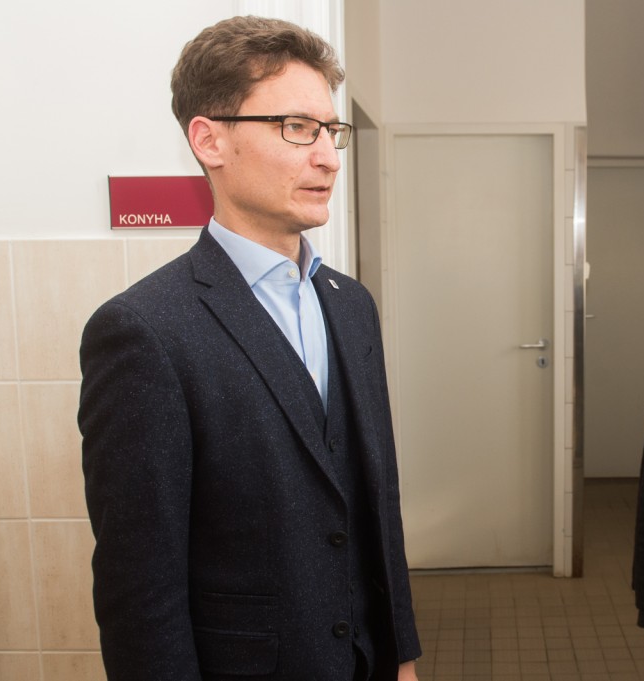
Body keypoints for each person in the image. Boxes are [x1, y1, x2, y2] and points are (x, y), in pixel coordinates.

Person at [79, 16, 420, 681]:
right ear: (209, 139)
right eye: (295, 127)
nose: (328, 157)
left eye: (330, 130)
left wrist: (401, 655)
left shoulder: (351, 305)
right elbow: (140, 589)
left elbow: (379, 505)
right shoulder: (144, 331)